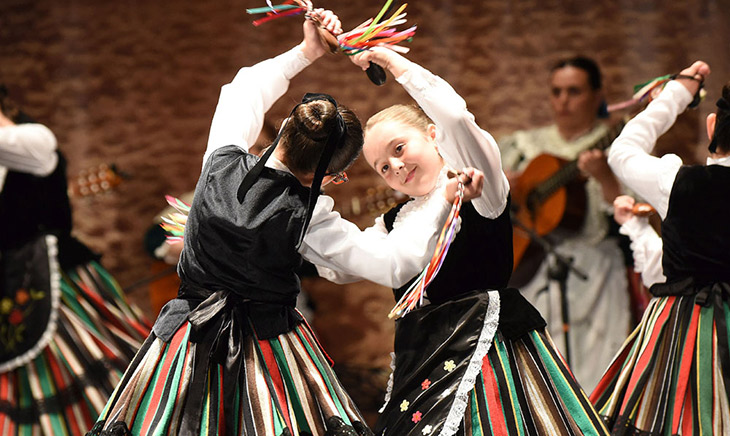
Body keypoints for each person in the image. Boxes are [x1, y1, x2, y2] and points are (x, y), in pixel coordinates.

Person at [88, 10, 465, 436]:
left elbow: (242, 88)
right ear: (326, 178)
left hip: (185, 344)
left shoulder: (221, 159)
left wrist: (307, 51)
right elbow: (394, 263)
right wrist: (441, 198)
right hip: (266, 355)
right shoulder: (307, 215)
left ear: (285, 127)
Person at [315, 46, 608, 435]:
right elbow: (336, 265)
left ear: (433, 135)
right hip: (423, 364)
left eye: (399, 148)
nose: (396, 166)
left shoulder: (479, 185)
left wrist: (395, 64)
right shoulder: (392, 224)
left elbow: (455, 117)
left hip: (490, 362)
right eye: (383, 166)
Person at [0, 85, 151, 435]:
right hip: (11, 292)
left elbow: (29, 151)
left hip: (60, 282)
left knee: (103, 381)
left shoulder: (33, 138)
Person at [592, 61, 730, 434]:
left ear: (712, 126)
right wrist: (636, 226)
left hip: (685, 334)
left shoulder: (679, 182)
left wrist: (676, 94)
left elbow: (622, 152)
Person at [498, 57, 630, 391]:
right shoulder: (526, 144)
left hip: (596, 271)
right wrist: (508, 187)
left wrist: (605, 178)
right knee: (540, 378)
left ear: (597, 95)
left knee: (596, 373)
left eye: (574, 91)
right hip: (534, 267)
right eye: (556, 92)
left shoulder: (617, 143)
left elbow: (630, 216)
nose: (563, 101)